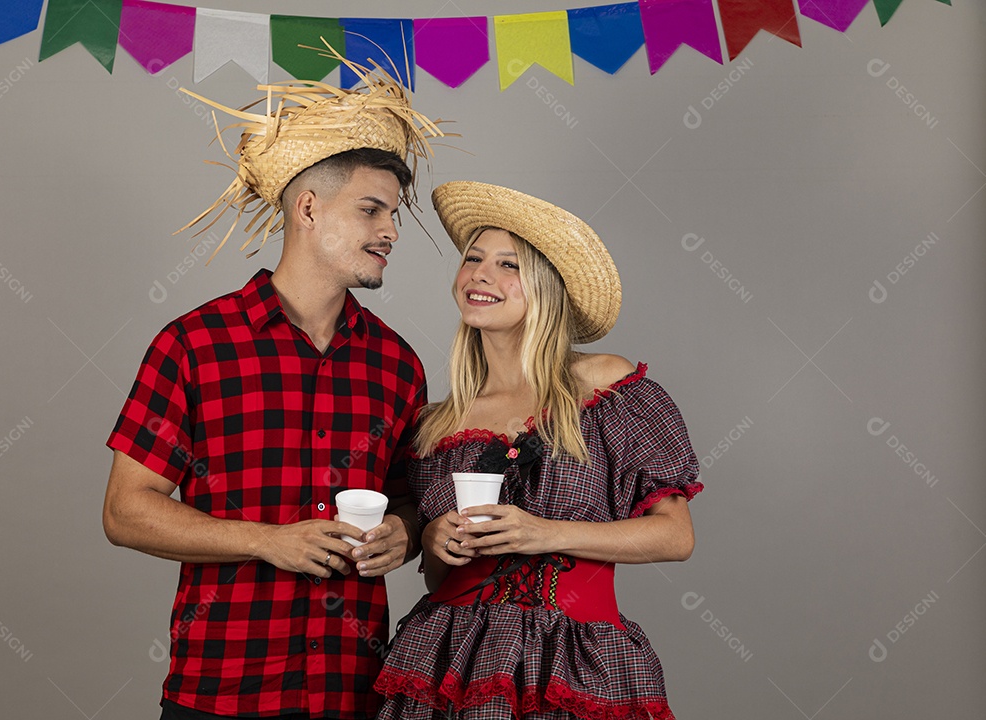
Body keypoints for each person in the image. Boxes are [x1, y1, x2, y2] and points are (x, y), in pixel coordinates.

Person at [102, 55, 444, 720]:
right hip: (222, 692)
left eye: (394, 214)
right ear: (309, 207)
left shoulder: (397, 364)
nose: (391, 232)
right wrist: (265, 539)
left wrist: (403, 534)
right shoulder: (195, 345)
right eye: (372, 210)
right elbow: (125, 512)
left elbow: (410, 500)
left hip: (356, 694)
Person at [374, 182, 703, 720]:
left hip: (574, 655)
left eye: (509, 265)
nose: (481, 274)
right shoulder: (437, 424)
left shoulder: (602, 386)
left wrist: (544, 533)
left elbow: (676, 536)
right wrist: (435, 540)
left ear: (547, 287)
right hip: (446, 656)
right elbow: (439, 579)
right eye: (473, 258)